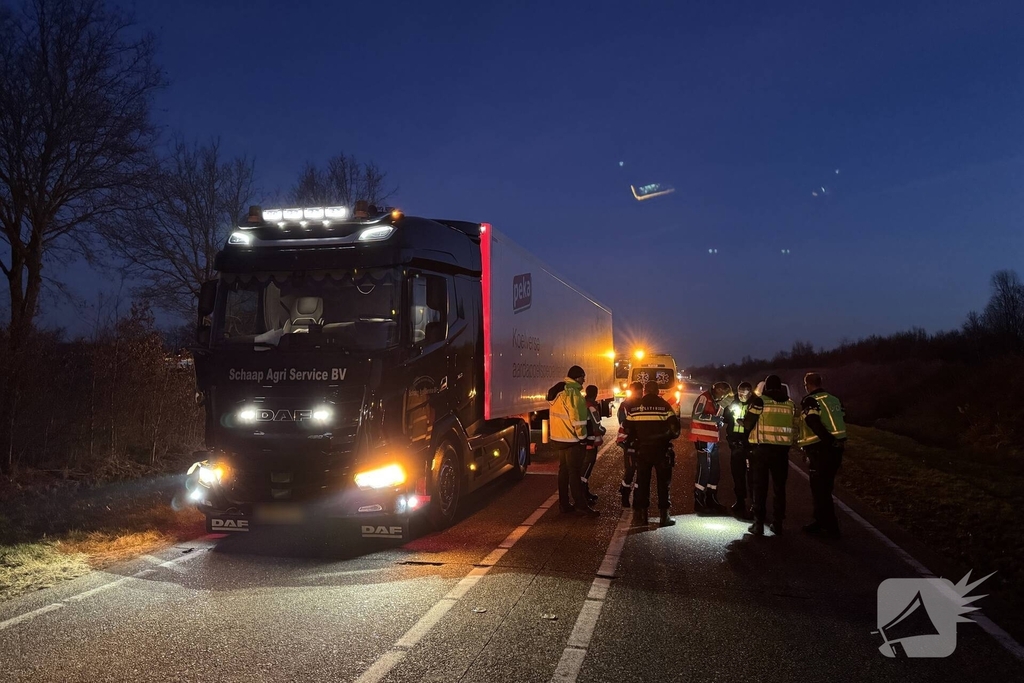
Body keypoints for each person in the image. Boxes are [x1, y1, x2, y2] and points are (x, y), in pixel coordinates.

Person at [742, 374, 796, 536]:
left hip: (762, 451)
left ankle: (758, 524)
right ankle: (778, 523)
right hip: (782, 451)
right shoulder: (790, 404)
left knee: (760, 487)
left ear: (766, 387)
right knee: (779, 488)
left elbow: (748, 423)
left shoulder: (760, 401)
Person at [624, 381, 681, 527]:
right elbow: (675, 430)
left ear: (645, 391)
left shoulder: (636, 407)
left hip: (642, 451)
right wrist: (665, 436)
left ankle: (642, 517)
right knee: (663, 483)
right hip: (661, 451)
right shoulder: (664, 406)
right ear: (657, 391)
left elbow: (626, 427)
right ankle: (664, 516)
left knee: (642, 483)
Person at [798, 372, 847, 538]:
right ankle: (819, 521)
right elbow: (842, 417)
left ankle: (831, 527)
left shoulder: (810, 400)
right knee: (825, 487)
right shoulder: (833, 399)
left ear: (808, 384)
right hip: (837, 448)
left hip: (821, 449)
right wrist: (835, 442)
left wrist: (827, 441)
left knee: (820, 490)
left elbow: (813, 422)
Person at [547, 365, 599, 516]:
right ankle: (580, 505)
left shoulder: (559, 392)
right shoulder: (574, 394)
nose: (584, 380)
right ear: (577, 377)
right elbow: (578, 420)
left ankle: (564, 504)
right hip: (571, 439)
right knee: (574, 472)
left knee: (563, 471)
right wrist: (583, 439)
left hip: (558, 438)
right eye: (583, 377)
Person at [689, 381, 732, 513]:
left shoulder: (718, 402)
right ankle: (698, 499)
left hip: (713, 440)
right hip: (702, 439)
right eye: (723, 393)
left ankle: (711, 498)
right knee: (704, 470)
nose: (724, 397)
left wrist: (719, 421)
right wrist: (715, 419)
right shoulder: (704, 398)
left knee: (715, 470)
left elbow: (718, 418)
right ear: (718, 389)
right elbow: (696, 416)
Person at [723, 381, 754, 520]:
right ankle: (740, 501)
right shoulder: (732, 401)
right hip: (735, 443)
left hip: (750, 444)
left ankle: (753, 503)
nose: (742, 395)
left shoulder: (755, 403)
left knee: (753, 476)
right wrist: (728, 412)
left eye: (745, 392)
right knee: (737, 474)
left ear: (750, 392)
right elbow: (726, 419)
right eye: (740, 392)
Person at [616, 380, 645, 507]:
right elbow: (623, 423)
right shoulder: (625, 405)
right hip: (628, 441)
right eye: (637, 392)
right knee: (631, 469)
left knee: (641, 469)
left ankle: (638, 496)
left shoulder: (643, 404)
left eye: (641, 391)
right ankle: (625, 493)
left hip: (640, 441)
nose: (639, 394)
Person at [582, 384, 606, 505]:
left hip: (583, 441)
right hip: (591, 442)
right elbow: (596, 424)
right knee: (587, 468)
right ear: (595, 394)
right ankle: (583, 495)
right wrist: (603, 431)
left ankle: (585, 492)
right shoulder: (591, 406)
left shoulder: (583, 404)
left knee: (584, 467)